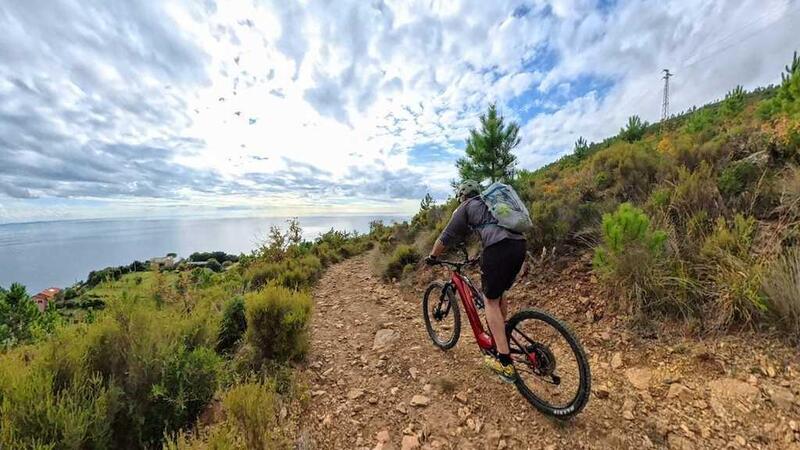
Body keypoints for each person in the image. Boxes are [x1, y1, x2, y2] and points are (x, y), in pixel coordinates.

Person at [425, 180, 527, 382]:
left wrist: (432, 257)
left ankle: (504, 361)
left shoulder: (464, 207)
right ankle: (501, 334)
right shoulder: (488, 204)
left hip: (498, 249)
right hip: (519, 245)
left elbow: (445, 237)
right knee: (498, 294)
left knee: (489, 301)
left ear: (462, 196)